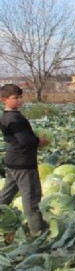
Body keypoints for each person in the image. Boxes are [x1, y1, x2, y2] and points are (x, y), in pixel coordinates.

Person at [0, 84, 48, 237]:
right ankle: (37, 230)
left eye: (20, 97)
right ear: (4, 100)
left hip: (13, 161)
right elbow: (25, 141)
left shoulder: (6, 116)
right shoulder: (15, 118)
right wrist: (39, 141)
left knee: (6, 194)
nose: (20, 100)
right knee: (31, 197)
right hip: (23, 164)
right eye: (15, 98)